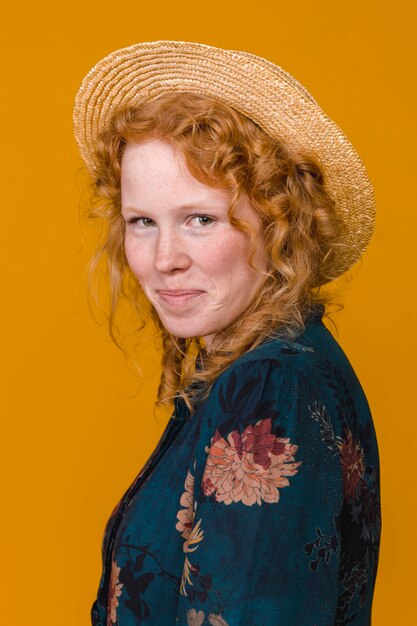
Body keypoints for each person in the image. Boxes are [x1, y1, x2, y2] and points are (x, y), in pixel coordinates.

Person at [73, 41, 381, 626]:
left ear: (278, 220)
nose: (164, 259)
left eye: (201, 219)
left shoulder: (271, 386)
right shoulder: (265, 366)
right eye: (142, 222)